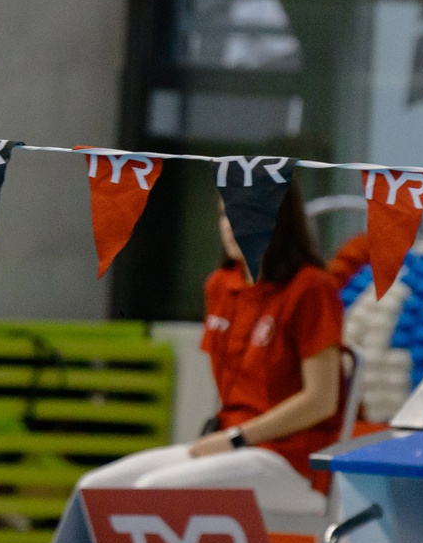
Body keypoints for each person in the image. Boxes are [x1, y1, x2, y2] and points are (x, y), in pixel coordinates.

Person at [71, 181, 347, 524]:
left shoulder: (310, 288)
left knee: (154, 491)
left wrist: (236, 439)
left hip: (292, 461)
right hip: (232, 446)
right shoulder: (220, 285)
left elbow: (321, 400)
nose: (232, 224)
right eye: (224, 213)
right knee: (94, 488)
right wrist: (227, 440)